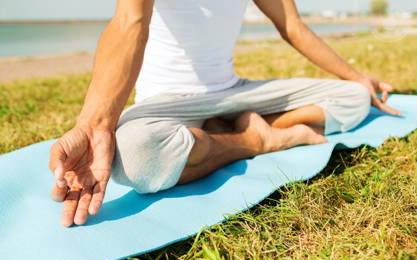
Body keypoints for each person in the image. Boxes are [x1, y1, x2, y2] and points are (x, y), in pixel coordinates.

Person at [49, 0, 401, 227]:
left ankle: (216, 134)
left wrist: (356, 78)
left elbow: (292, 26)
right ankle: (254, 138)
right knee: (132, 155)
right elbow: (129, 23)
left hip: (233, 91)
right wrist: (96, 124)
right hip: (169, 101)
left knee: (355, 98)